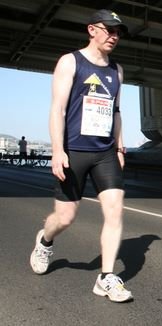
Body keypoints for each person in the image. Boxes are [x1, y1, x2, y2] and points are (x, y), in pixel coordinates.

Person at [29, 9, 132, 303]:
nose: (114, 36)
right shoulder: (70, 62)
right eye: (109, 30)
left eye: (118, 32)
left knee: (115, 209)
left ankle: (106, 277)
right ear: (92, 30)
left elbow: (116, 111)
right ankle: (45, 241)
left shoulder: (117, 70)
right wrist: (57, 149)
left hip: (104, 153)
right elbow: (57, 109)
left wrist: (120, 146)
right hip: (73, 150)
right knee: (65, 217)